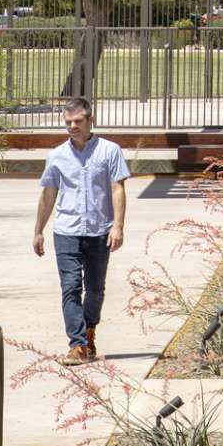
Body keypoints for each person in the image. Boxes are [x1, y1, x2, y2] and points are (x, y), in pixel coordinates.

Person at [32, 98, 129, 362]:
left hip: (99, 230)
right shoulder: (57, 156)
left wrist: (117, 226)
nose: (72, 127)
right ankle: (76, 344)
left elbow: (117, 189)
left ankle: (89, 332)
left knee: (95, 288)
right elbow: (48, 193)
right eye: (68, 122)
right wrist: (38, 230)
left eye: (77, 122)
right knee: (70, 287)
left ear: (90, 121)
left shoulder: (110, 151)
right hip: (66, 230)